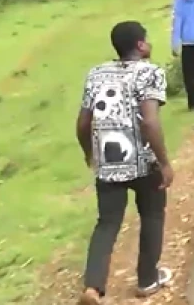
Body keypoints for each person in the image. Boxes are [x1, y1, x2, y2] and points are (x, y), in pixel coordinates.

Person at [76, 21, 174, 304]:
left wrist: (89, 153)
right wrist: (165, 162)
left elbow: (83, 123)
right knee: (153, 216)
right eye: (147, 40)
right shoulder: (151, 72)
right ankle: (147, 279)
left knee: (106, 223)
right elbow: (151, 122)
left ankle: (92, 288)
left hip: (108, 161)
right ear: (141, 45)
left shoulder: (96, 74)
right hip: (145, 163)